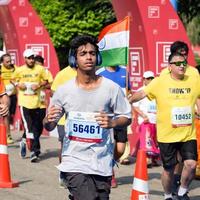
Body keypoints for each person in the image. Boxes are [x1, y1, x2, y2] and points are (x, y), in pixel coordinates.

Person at [43, 35, 132, 200]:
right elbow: (49, 126)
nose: (88, 57)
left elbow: (127, 117)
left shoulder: (111, 89)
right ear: (74, 58)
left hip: (102, 161)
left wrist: (113, 122)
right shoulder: (64, 90)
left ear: (97, 57)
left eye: (92, 53)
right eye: (83, 53)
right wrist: (48, 121)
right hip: (74, 160)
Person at [128, 53, 199, 200]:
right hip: (167, 135)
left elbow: (198, 97)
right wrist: (126, 100)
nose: (182, 66)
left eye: (184, 63)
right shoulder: (160, 82)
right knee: (168, 170)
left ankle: (182, 191)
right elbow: (141, 93)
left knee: (191, 164)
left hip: (187, 133)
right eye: (177, 63)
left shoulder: (193, 80)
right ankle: (167, 195)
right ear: (169, 66)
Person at [160, 41, 200, 195]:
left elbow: (197, 93)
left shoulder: (194, 72)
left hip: (187, 122)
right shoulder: (165, 73)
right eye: (180, 53)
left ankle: (182, 190)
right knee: (175, 159)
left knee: (188, 160)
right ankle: (173, 184)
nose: (183, 56)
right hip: (170, 124)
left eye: (185, 53)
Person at [96, 65, 131, 188]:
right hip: (106, 117)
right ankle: (110, 174)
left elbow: (129, 91)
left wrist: (128, 98)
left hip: (120, 117)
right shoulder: (100, 72)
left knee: (120, 149)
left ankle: (109, 165)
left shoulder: (125, 72)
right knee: (107, 147)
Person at [11, 49, 48, 162]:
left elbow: (46, 80)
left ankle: (24, 142)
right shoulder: (20, 70)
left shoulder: (40, 69)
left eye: (32, 58)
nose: (31, 60)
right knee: (30, 128)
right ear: (25, 59)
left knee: (37, 128)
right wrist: (18, 84)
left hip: (37, 103)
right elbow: (12, 79)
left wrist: (39, 85)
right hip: (24, 103)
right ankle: (34, 151)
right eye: (29, 58)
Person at [51, 65, 77, 187]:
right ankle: (63, 171)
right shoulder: (63, 74)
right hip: (63, 120)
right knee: (65, 145)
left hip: (81, 120)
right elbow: (53, 91)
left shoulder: (92, 74)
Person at [132, 71, 160, 168]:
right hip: (145, 120)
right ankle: (147, 159)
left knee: (154, 140)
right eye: (147, 78)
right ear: (143, 79)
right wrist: (143, 115)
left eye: (151, 78)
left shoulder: (157, 90)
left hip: (155, 120)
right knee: (146, 140)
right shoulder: (141, 91)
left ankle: (154, 158)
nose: (150, 80)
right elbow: (135, 106)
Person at [34, 55, 53, 141]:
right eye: (36, 65)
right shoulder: (31, 72)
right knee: (31, 124)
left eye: (39, 65)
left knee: (40, 124)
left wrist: (43, 86)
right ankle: (31, 142)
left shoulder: (46, 72)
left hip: (42, 102)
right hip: (30, 101)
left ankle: (34, 140)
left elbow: (51, 84)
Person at [0, 53, 18, 144]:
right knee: (5, 113)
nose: (9, 63)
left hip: (13, 94)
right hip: (3, 94)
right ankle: (8, 135)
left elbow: (19, 78)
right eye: (7, 62)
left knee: (11, 115)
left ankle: (7, 129)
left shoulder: (15, 68)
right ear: (2, 62)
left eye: (10, 61)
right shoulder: (0, 68)